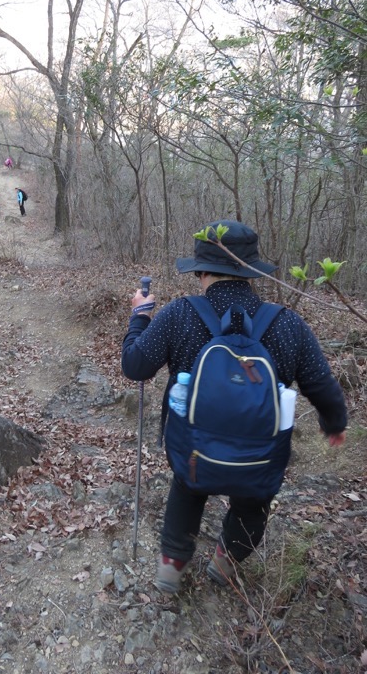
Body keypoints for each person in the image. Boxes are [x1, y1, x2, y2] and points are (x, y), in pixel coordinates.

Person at [121, 219, 347, 595]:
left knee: (187, 490)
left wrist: (139, 317)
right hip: (261, 455)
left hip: (191, 449)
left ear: (202, 271)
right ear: (253, 273)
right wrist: (334, 423)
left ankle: (171, 572)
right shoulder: (288, 324)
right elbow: (321, 384)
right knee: (253, 503)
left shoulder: (180, 315)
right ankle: (223, 564)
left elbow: (134, 366)